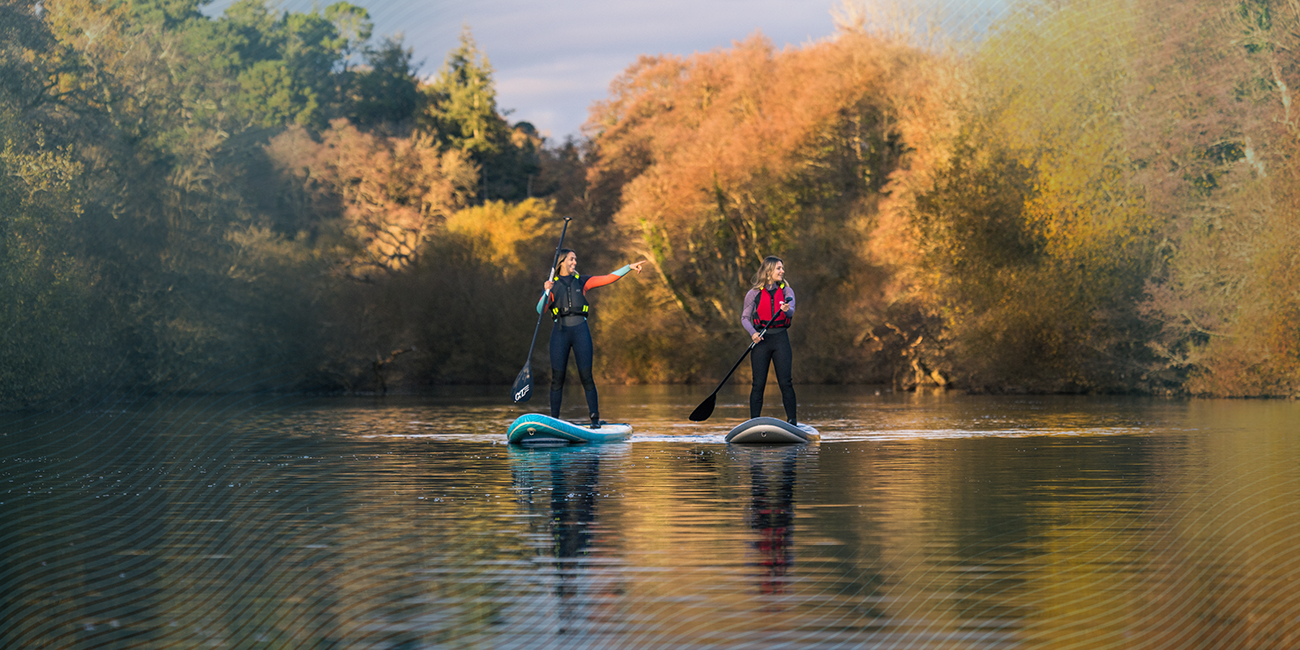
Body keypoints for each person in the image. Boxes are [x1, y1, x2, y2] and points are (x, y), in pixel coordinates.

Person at [538, 250, 646, 428]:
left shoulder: (582, 281)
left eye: (575, 259)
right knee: (557, 379)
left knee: (586, 377)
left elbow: (608, 278)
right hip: (560, 333)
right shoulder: (552, 285)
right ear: (562, 262)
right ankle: (554, 421)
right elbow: (540, 310)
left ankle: (595, 420)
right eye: (571, 259)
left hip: (581, 331)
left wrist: (628, 267)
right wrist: (546, 291)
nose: (575, 262)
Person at [741, 256, 797, 425]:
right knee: (758, 384)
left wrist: (786, 309)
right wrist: (753, 333)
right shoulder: (753, 293)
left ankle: (792, 422)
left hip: (781, 340)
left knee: (786, 383)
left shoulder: (787, 291)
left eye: (782, 268)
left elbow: (791, 311)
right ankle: (754, 423)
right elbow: (745, 318)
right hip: (761, 341)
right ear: (768, 271)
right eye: (779, 268)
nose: (782, 271)